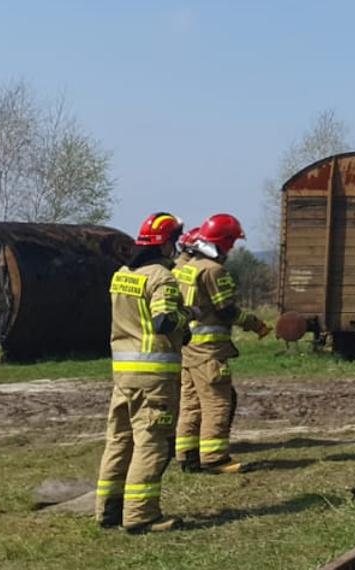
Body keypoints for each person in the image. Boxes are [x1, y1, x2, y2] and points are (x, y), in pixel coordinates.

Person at [96, 213, 188, 533]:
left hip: (123, 375)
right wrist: (184, 321)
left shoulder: (121, 274)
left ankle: (108, 510)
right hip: (154, 377)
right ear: (164, 243)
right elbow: (164, 321)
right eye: (173, 240)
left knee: (119, 440)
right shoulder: (162, 278)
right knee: (151, 443)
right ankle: (140, 515)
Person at [171, 214, 271, 473]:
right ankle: (215, 458)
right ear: (224, 241)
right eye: (232, 242)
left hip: (188, 347)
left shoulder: (187, 266)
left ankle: (187, 455)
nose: (233, 248)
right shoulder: (214, 270)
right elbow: (226, 310)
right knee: (218, 402)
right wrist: (254, 323)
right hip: (209, 350)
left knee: (190, 403)